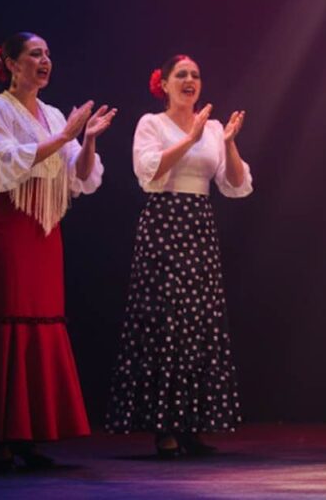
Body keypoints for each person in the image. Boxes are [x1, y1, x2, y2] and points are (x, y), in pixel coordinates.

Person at [0, 32, 116, 470]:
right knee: (4, 320)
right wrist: (64, 137)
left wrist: (87, 138)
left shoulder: (55, 113)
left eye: (48, 54)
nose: (45, 60)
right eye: (35, 54)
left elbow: (81, 177)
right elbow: (6, 164)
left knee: (41, 321)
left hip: (43, 230)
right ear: (11, 63)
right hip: (7, 228)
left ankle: (27, 434)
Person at [105, 54, 252, 458]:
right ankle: (163, 428)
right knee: (166, 322)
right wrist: (190, 137)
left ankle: (192, 425)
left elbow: (236, 185)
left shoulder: (215, 127)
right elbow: (148, 172)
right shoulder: (151, 125)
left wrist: (228, 143)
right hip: (165, 224)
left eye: (196, 75)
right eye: (181, 75)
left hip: (199, 225)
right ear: (164, 84)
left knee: (197, 324)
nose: (190, 80)